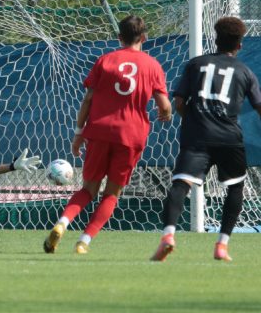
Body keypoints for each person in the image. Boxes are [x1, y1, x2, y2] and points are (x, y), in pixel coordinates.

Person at [43, 15, 172, 255]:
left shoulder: (105, 60)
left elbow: (88, 99)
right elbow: (164, 104)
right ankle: (84, 242)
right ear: (144, 37)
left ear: (119, 38)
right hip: (132, 135)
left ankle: (62, 224)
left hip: (100, 131)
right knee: (111, 194)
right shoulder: (152, 65)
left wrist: (79, 132)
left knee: (87, 190)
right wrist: (166, 113)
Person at [151, 17, 261, 262]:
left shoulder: (196, 64)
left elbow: (179, 102)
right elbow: (259, 105)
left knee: (180, 185)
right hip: (230, 138)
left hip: (197, 136)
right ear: (240, 45)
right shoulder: (245, 71)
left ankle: (168, 235)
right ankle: (222, 244)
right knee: (235, 188)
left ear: (215, 39)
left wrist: (191, 119)